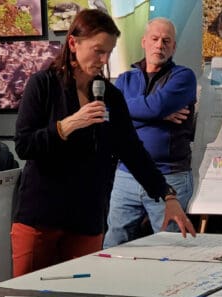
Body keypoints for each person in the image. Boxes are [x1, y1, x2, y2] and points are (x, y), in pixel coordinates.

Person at [11, 9, 196, 277]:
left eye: (109, 52)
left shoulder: (108, 94)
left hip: (86, 218)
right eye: (98, 51)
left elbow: (132, 150)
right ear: (73, 43)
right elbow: (25, 145)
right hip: (41, 217)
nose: (104, 60)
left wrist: (167, 195)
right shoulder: (43, 85)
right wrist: (68, 125)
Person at [104, 17, 197, 247]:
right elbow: (109, 116)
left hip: (169, 177)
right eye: (155, 39)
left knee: (171, 247)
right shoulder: (125, 79)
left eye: (166, 41)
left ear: (174, 46)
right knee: (113, 244)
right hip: (126, 175)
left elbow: (155, 106)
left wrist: (141, 112)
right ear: (144, 42)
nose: (160, 45)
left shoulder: (183, 77)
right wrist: (158, 114)